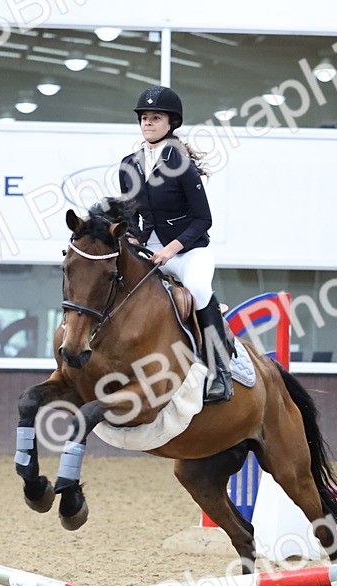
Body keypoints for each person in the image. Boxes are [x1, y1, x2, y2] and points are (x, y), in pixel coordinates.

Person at [117, 85, 232, 404]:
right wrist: (130, 240)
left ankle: (218, 369)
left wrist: (170, 250)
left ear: (171, 124)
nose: (147, 123)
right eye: (144, 118)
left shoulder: (181, 163)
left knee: (196, 287)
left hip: (189, 250)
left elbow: (203, 219)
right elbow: (132, 217)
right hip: (149, 248)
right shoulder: (129, 165)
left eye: (155, 118)